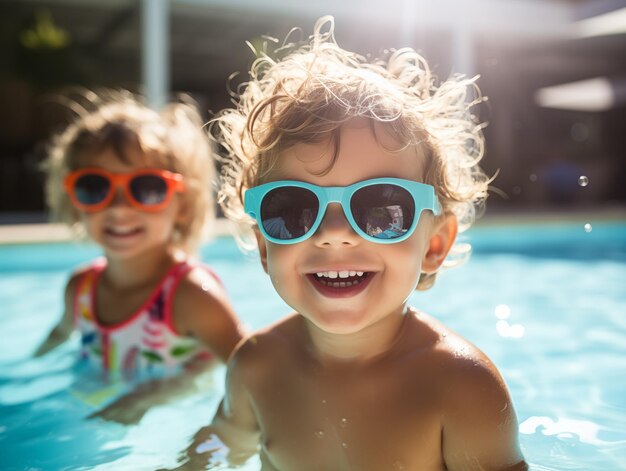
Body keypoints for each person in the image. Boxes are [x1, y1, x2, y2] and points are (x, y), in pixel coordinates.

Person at [179, 16, 528, 471]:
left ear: (434, 245)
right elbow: (218, 448)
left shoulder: (461, 388)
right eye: (292, 210)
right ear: (265, 246)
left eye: (382, 208)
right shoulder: (257, 369)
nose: (333, 232)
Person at [35, 91, 245, 422]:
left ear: (184, 205)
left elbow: (246, 368)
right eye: (95, 186)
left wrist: (152, 397)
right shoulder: (80, 290)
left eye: (148, 188)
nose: (119, 208)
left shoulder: (191, 296)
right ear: (73, 197)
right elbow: (56, 339)